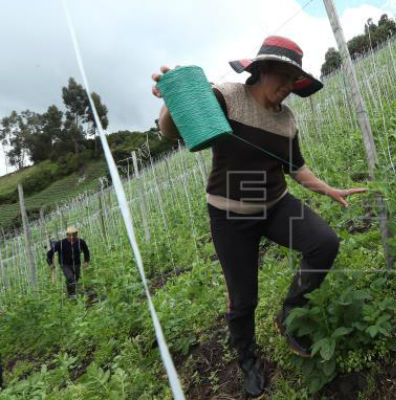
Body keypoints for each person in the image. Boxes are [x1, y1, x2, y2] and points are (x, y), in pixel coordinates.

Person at [152, 35, 368, 398]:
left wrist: (329, 189)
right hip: (230, 215)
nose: (287, 87)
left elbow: (296, 168)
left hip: (275, 206)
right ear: (261, 70)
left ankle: (290, 314)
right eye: (282, 77)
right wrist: (173, 99)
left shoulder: (287, 121)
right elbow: (171, 130)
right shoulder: (226, 97)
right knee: (243, 298)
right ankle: (248, 360)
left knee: (325, 244)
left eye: (292, 81)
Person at [47, 226, 90, 296]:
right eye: (70, 235)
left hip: (76, 263)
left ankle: (72, 293)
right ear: (67, 235)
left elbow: (86, 251)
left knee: (75, 279)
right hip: (65, 264)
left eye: (74, 235)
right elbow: (49, 253)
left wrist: (86, 261)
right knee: (70, 278)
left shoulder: (81, 242)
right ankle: (71, 295)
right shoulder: (60, 243)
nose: (72, 237)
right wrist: (50, 263)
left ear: (77, 234)